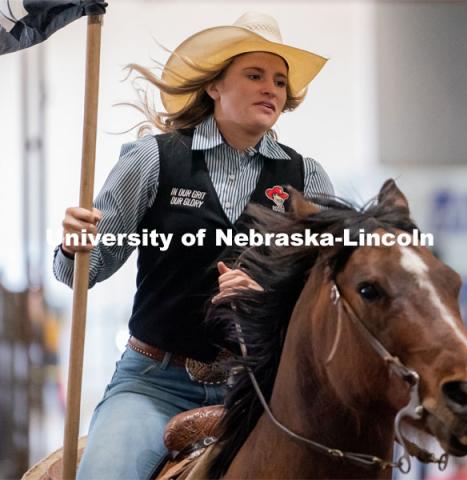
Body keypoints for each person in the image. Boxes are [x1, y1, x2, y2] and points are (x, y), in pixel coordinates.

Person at [53, 11, 334, 480]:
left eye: (280, 82)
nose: (272, 88)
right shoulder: (152, 160)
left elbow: (327, 296)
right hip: (154, 384)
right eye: (255, 75)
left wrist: (268, 298)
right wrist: (73, 248)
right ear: (214, 87)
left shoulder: (307, 179)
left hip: (263, 387)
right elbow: (81, 274)